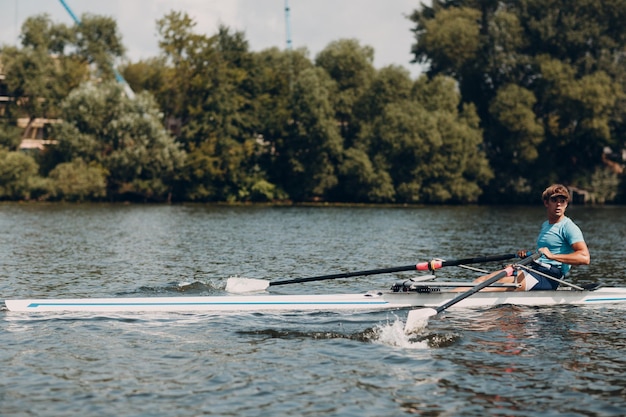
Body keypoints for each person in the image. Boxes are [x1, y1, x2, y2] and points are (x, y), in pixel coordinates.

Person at [474, 184, 590, 291]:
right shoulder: (546, 225)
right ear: (546, 203)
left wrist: (552, 256)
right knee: (480, 281)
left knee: (487, 287)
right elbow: (542, 253)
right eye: (554, 200)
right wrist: (528, 255)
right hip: (534, 269)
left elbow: (585, 258)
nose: (558, 204)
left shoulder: (568, 227)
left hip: (549, 277)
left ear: (566, 204)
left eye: (562, 201)